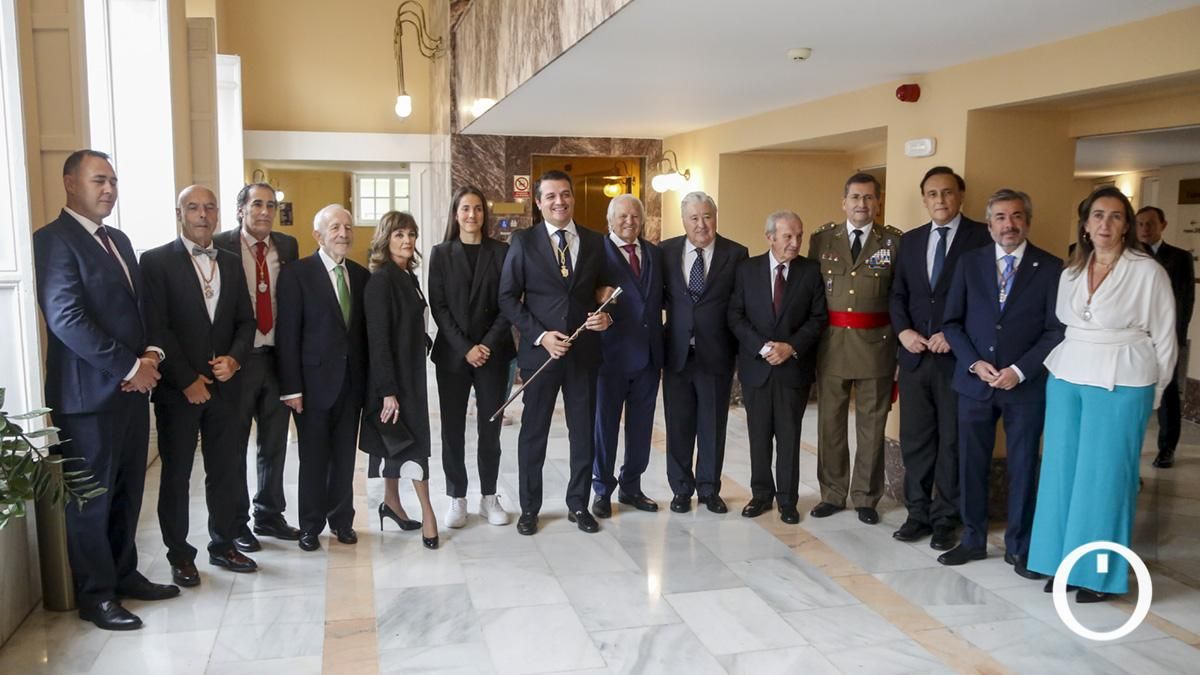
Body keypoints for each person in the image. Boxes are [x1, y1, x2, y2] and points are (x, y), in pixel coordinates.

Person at [33, 149, 178, 631]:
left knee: (126, 491)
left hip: (132, 392)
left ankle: (123, 574)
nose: (110, 189)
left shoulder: (119, 239)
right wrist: (129, 366)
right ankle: (95, 596)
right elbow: (66, 318)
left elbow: (140, 308)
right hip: (86, 400)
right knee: (90, 502)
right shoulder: (52, 240)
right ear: (70, 182)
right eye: (99, 180)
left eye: (113, 180)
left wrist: (151, 355)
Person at [1028, 187, 1176, 602]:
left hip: (1123, 379)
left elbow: (1166, 338)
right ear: (1086, 224)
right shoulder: (1072, 271)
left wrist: (1157, 392)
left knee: (1106, 479)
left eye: (1115, 216)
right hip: (1068, 375)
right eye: (1098, 215)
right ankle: (1059, 563)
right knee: (1061, 474)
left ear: (1126, 225)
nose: (1105, 224)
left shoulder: (1148, 272)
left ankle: (1097, 575)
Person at [939, 189, 1064, 578]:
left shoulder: (1051, 267)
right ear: (989, 223)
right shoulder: (969, 263)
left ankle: (1020, 547)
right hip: (975, 384)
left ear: (1028, 220)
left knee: (1024, 466)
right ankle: (973, 539)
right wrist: (974, 363)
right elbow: (951, 323)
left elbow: (1056, 330)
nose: (1009, 225)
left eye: (1016, 216)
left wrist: (1020, 370)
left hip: (1024, 387)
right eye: (1000, 217)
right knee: (971, 463)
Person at [141, 185, 258, 583]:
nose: (202, 215)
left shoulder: (231, 262)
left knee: (225, 470)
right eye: (193, 208)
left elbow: (246, 320)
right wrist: (187, 379)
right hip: (179, 390)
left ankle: (223, 545)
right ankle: (180, 554)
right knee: (176, 475)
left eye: (209, 207)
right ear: (180, 214)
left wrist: (235, 359)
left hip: (226, 387)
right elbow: (157, 327)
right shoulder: (155, 261)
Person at [497, 170, 613, 536]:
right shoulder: (523, 241)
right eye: (550, 196)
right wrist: (541, 335)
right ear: (538, 202)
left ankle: (578, 504)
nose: (559, 201)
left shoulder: (595, 241)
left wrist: (607, 316)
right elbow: (507, 298)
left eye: (565, 194)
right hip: (542, 356)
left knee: (583, 434)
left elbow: (605, 291)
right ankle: (529, 508)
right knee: (534, 434)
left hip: (583, 355)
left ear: (573, 198)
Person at [889, 166, 991, 550]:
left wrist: (954, 335)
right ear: (924, 199)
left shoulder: (982, 237)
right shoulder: (911, 241)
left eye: (947, 192)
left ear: (960, 196)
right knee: (916, 440)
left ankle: (946, 517)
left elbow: (986, 298)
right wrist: (904, 332)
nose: (940, 200)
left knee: (952, 441)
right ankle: (917, 513)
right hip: (915, 358)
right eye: (932, 194)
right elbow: (897, 294)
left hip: (957, 359)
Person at [808, 173, 903, 524]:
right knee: (830, 425)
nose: (861, 204)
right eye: (855, 197)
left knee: (871, 426)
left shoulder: (893, 242)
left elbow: (899, 298)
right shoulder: (822, 239)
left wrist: (900, 350)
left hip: (877, 347)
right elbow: (812, 294)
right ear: (843, 202)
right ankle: (833, 493)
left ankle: (865, 496)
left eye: (868, 198)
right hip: (832, 345)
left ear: (877, 203)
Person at [213, 183, 303, 547]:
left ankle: (268, 515)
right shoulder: (220, 244)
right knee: (234, 446)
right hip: (238, 360)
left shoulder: (288, 246)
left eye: (270, 205)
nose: (265, 211)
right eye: (257, 205)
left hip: (277, 358)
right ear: (241, 210)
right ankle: (236, 525)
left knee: (274, 443)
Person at [276, 204, 370, 552]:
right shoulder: (297, 274)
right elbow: (287, 335)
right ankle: (310, 525)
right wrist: (291, 388)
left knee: (345, 458)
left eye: (348, 227)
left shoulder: (361, 276)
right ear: (318, 235)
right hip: (311, 386)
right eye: (335, 228)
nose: (343, 233)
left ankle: (342, 520)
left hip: (351, 384)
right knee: (313, 458)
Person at [728, 211, 827, 523]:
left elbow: (818, 318)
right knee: (758, 435)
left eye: (799, 235)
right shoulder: (747, 270)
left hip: (792, 369)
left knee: (789, 437)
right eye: (788, 236)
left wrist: (790, 346)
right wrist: (763, 347)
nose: (795, 242)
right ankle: (760, 495)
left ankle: (787, 500)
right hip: (757, 368)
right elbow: (735, 315)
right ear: (769, 237)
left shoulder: (811, 271)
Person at [428, 186, 515, 528]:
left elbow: (508, 302)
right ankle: (457, 497)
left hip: (494, 354)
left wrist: (485, 345)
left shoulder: (501, 252)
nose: (471, 215)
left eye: (477, 209)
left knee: (490, 429)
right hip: (453, 355)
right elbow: (439, 306)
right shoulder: (441, 253)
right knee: (452, 429)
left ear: (484, 214)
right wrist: (466, 347)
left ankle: (489, 497)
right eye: (465, 208)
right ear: (456, 213)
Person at [661, 192, 748, 514]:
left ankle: (709, 489)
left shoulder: (736, 254)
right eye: (694, 218)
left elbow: (741, 304)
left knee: (712, 426)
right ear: (684, 220)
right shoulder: (665, 251)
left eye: (707, 216)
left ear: (716, 217)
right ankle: (681, 489)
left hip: (716, 354)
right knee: (678, 426)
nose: (701, 224)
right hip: (677, 354)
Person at [361, 212, 439, 548]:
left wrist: (425, 340)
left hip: (410, 375)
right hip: (394, 382)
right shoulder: (381, 280)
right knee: (413, 445)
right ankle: (428, 514)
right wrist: (388, 392)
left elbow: (408, 323)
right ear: (385, 239)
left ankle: (391, 503)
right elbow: (378, 340)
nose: (407, 241)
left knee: (396, 443)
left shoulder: (407, 275)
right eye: (399, 235)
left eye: (411, 234)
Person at [591, 194, 665, 518]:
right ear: (610, 220)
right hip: (610, 357)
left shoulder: (655, 254)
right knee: (605, 427)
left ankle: (632, 487)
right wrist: (595, 297)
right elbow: (580, 293)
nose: (629, 221)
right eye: (622, 216)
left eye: (635, 216)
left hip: (649, 356)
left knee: (641, 428)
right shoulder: (596, 252)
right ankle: (602, 490)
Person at [1135, 205, 1194, 469]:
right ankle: (1132, 446)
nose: (1145, 229)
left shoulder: (1180, 258)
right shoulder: (1130, 256)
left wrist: (1176, 339)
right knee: (1135, 393)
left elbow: (1185, 301)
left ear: (1163, 225)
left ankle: (1167, 448)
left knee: (1168, 395)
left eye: (1150, 223)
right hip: (1136, 340)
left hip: (1165, 338)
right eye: (1140, 224)